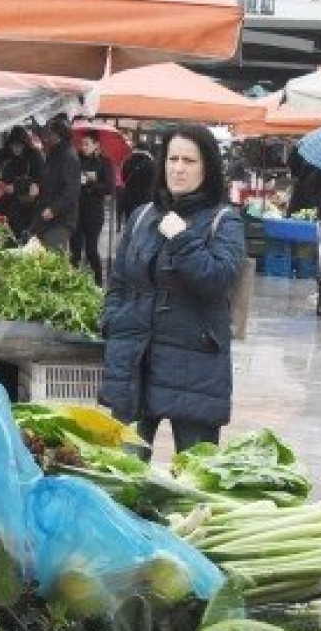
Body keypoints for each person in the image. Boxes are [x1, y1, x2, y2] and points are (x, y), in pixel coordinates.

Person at [100, 124, 244, 457]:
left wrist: (182, 238)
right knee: (123, 472)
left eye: (189, 161)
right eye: (172, 159)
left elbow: (217, 280)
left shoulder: (224, 221)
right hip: (135, 362)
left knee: (193, 477)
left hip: (194, 370)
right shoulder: (142, 216)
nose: (178, 168)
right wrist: (112, 321)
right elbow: (119, 281)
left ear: (207, 168)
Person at [70, 133, 114, 284]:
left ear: (96, 145)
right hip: (77, 210)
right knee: (74, 250)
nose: (83, 147)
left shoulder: (104, 162)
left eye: (87, 144)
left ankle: (98, 283)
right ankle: (72, 283)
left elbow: (109, 187)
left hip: (94, 212)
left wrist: (91, 183)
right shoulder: (76, 159)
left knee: (91, 250)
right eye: (82, 144)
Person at [33, 117, 81, 252]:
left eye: (49, 132)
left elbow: (72, 190)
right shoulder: (53, 153)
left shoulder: (69, 156)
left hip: (61, 220)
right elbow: (49, 180)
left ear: (57, 135)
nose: (47, 136)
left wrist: (54, 209)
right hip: (45, 215)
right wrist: (38, 188)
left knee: (53, 254)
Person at [0, 126, 44, 239]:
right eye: (13, 146)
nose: (16, 149)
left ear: (25, 144)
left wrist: (16, 186)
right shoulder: (11, 153)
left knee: (21, 227)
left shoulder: (35, 156)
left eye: (19, 146)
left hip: (29, 202)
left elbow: (39, 180)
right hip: (12, 199)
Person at [119, 145, 156, 224]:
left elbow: (123, 178)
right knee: (144, 222)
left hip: (129, 198)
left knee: (130, 222)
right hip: (146, 198)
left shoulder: (128, 161)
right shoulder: (151, 164)